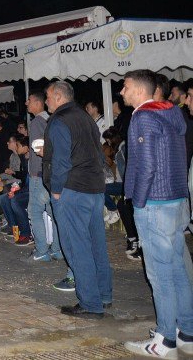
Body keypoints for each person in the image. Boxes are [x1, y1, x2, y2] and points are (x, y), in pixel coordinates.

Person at [121, 70, 193, 358]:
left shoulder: (143, 116)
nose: (122, 93)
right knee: (177, 270)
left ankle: (164, 340)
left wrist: (137, 202)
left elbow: (147, 165)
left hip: (155, 204)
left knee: (160, 275)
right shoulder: (173, 115)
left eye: (125, 88)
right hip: (176, 201)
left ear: (139, 91)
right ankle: (186, 331)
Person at [44, 80, 112, 319]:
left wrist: (56, 188)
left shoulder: (59, 120)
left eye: (49, 97)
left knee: (77, 246)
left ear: (59, 97)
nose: (46, 102)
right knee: (96, 244)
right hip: (94, 187)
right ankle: (103, 295)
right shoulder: (86, 118)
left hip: (72, 189)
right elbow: (97, 152)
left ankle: (90, 303)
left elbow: (62, 159)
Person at [24, 90, 65, 264]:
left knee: (34, 212)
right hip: (49, 172)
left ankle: (41, 250)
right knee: (52, 212)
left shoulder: (36, 122)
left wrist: (34, 168)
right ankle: (57, 249)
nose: (26, 103)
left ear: (38, 103)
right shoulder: (50, 120)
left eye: (29, 100)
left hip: (39, 174)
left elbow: (40, 146)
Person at [0, 134, 32, 245]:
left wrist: (14, 187)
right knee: (4, 198)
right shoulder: (24, 159)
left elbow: (23, 178)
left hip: (32, 190)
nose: (17, 148)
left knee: (15, 200)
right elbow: (23, 176)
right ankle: (14, 227)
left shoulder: (32, 159)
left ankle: (26, 233)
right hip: (25, 188)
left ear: (26, 147)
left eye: (18, 145)